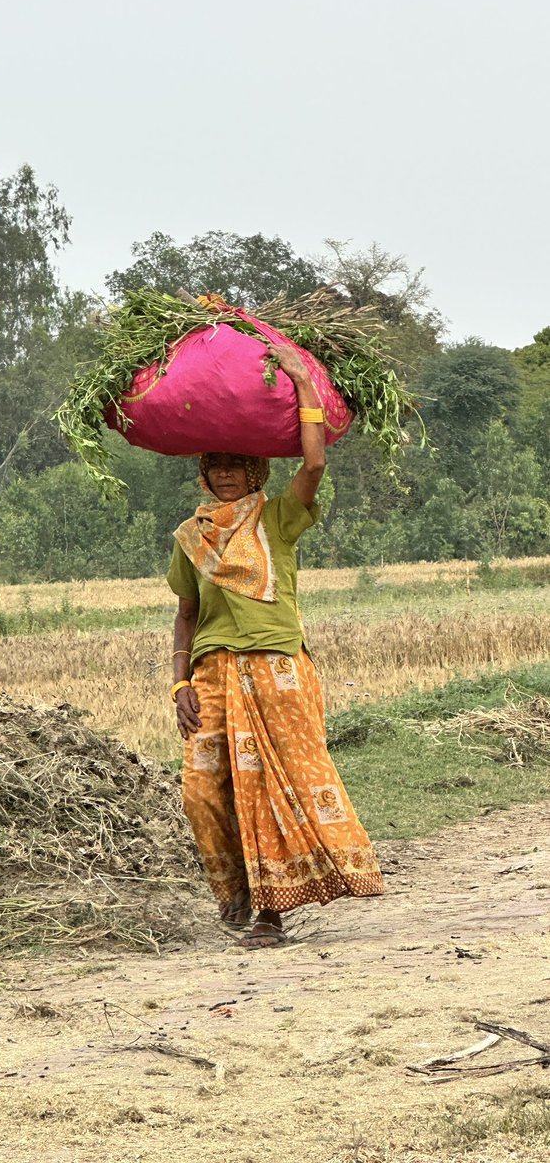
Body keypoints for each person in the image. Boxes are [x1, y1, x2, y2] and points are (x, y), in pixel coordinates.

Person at [167, 344, 384, 948]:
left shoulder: (278, 518)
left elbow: (313, 467)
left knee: (268, 786)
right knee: (202, 790)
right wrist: (180, 682)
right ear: (204, 473)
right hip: (213, 673)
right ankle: (233, 891)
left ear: (255, 470)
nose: (225, 473)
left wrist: (301, 384)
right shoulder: (190, 538)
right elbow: (185, 616)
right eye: (215, 465)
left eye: (236, 463)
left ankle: (270, 911)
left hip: (278, 669)